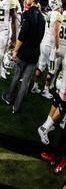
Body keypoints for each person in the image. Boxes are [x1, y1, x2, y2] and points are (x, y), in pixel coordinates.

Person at [2, 0, 45, 114]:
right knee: (25, 82)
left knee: (17, 77)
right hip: (35, 53)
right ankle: (17, 107)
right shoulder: (42, 18)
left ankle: (9, 98)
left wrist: (15, 50)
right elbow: (40, 37)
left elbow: (22, 35)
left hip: (24, 52)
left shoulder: (27, 14)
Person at [37, 9, 66, 145]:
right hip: (59, 52)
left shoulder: (63, 15)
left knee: (60, 95)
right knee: (64, 101)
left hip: (61, 54)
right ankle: (45, 127)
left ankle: (47, 124)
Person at [31, 0, 63, 99]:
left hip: (44, 43)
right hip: (51, 45)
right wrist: (58, 48)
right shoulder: (58, 15)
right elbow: (56, 34)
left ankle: (35, 86)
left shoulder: (49, 13)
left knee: (40, 66)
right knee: (51, 70)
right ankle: (46, 90)